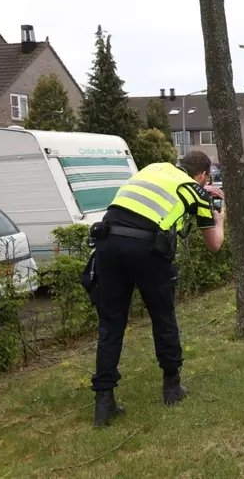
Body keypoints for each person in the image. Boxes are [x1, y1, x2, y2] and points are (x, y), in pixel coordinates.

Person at [85, 151, 225, 427]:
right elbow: (215, 244)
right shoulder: (197, 192)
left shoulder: (155, 167)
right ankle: (172, 389)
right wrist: (220, 216)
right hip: (146, 249)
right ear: (204, 175)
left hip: (107, 242)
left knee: (111, 325)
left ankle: (104, 404)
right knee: (162, 318)